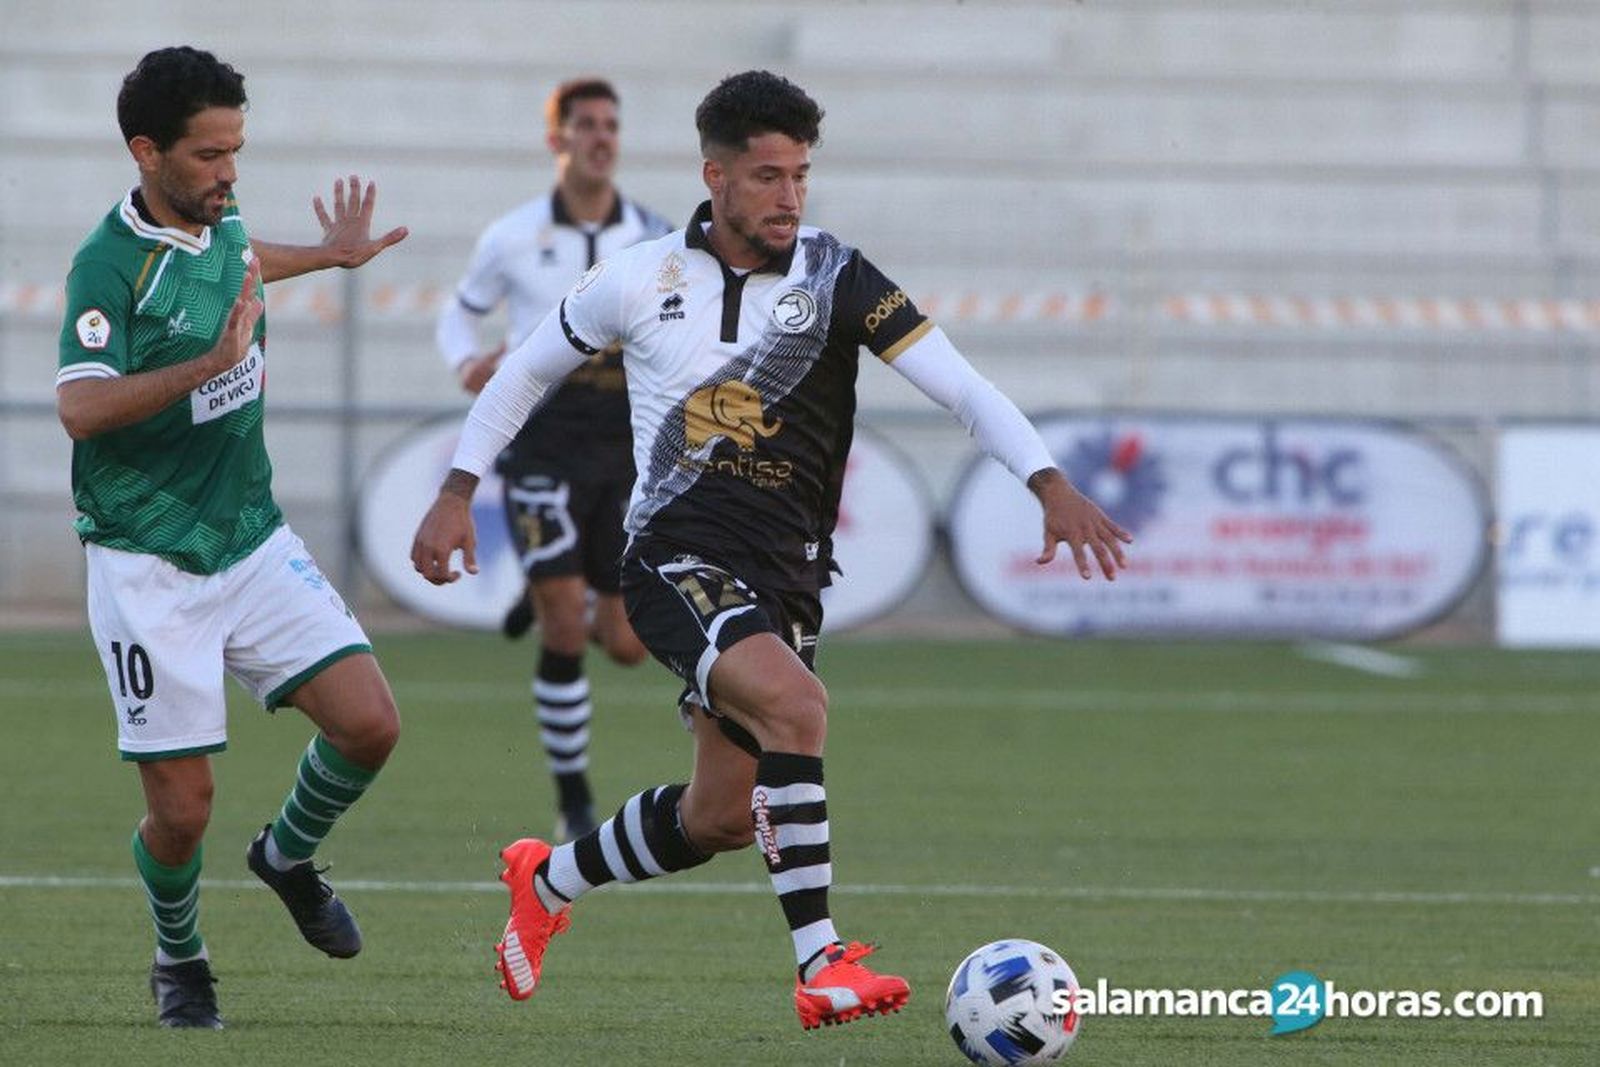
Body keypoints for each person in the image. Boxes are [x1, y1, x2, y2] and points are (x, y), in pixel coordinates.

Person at [410, 70, 1131, 1031]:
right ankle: (820, 959)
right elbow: (520, 376)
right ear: (716, 177)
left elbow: (959, 386)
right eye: (768, 177)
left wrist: (1048, 480)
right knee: (798, 706)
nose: (790, 196)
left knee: (716, 816)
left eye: (800, 175)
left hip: (787, 576)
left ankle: (549, 879)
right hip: (672, 555)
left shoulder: (839, 278)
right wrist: (458, 492)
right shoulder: (639, 276)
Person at [55, 46, 407, 1030]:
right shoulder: (106, 265)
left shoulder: (221, 220)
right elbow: (81, 408)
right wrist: (204, 362)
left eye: (237, 149)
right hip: (144, 560)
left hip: (247, 534)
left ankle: (286, 854)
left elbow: (242, 261)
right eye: (210, 155)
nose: (229, 172)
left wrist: (328, 257)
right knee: (181, 811)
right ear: (147, 152)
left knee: (370, 722)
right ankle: (181, 957)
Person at [435, 78, 668, 842]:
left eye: (611, 124)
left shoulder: (655, 234)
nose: (602, 137)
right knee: (568, 628)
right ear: (557, 138)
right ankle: (574, 798)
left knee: (628, 645)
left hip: (623, 448)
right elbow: (460, 312)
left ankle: (541, 591)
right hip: (541, 441)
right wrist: (467, 362)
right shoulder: (513, 235)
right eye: (587, 125)